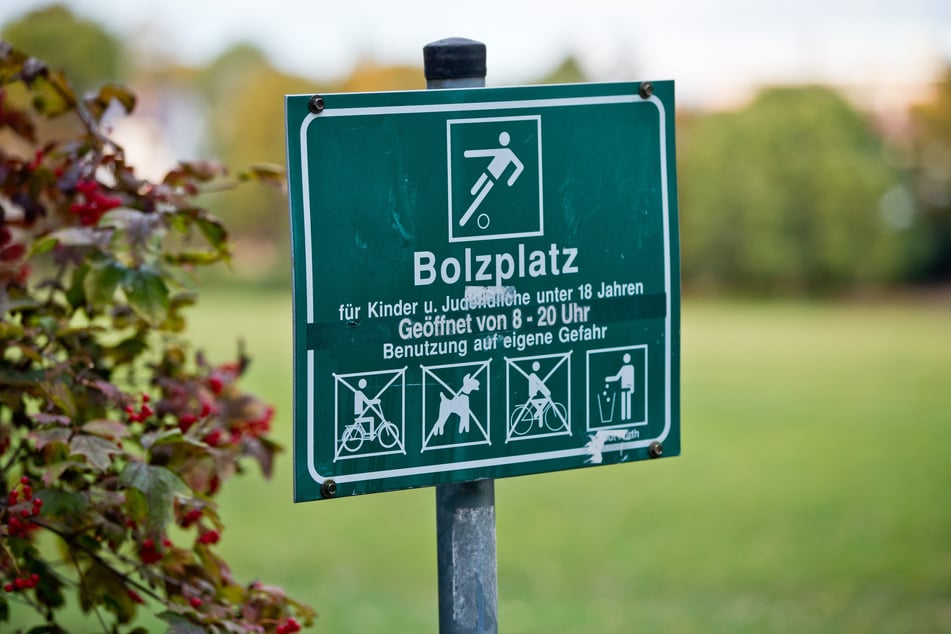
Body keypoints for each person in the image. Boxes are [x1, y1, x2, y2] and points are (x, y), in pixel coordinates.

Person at [605, 353, 635, 421]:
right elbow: (617, 377)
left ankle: (626, 418)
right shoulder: (625, 368)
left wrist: (608, 379)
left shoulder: (630, 368)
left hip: (627, 387)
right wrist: (609, 379)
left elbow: (631, 378)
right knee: (625, 402)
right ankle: (625, 418)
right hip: (624, 388)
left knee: (626, 402)